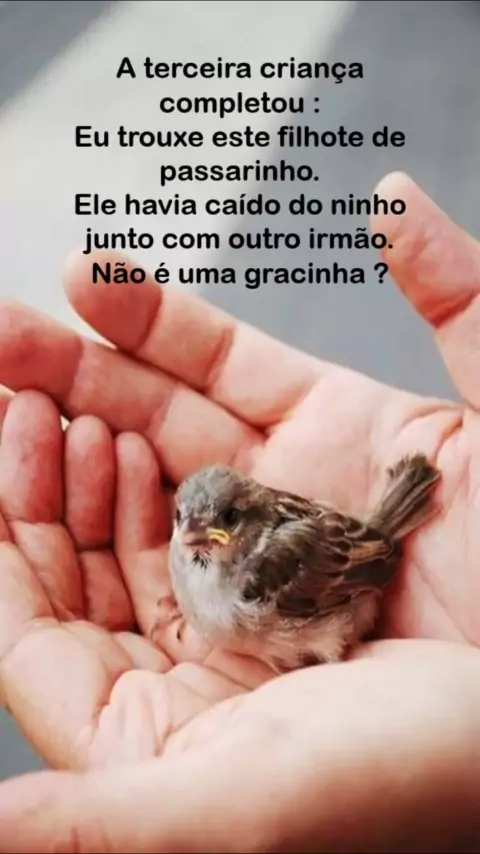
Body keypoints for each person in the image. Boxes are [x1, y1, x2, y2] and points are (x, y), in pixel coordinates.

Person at [0, 171, 479, 853]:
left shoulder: (266, 572)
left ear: (247, 518)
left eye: (217, 526)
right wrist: (185, 602)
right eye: (186, 526)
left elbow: (356, 574)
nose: (196, 538)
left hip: (346, 589)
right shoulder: (188, 544)